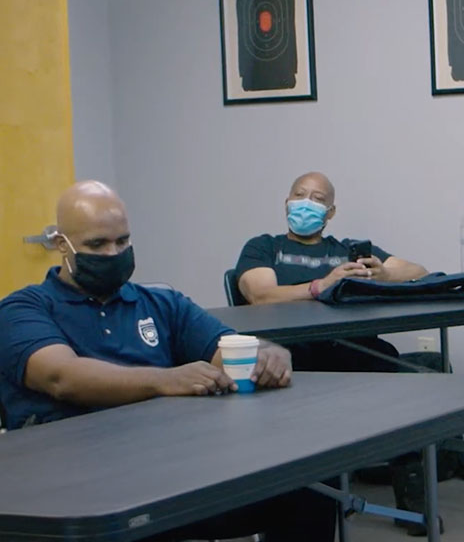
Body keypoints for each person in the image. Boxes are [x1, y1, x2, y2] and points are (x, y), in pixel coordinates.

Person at [0, 181, 335, 542]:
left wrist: (267, 355)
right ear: (62, 246)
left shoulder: (160, 303)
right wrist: (167, 380)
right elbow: (60, 376)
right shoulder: (24, 309)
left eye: (122, 241)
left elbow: (225, 346)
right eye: (97, 245)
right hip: (71, 484)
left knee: (309, 485)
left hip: (163, 469)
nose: (113, 253)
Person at [235, 171, 436, 535]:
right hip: (291, 353)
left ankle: (413, 496)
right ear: (286, 202)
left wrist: (383, 274)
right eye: (300, 195)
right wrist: (323, 285)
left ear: (330, 213)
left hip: (349, 348)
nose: (306, 204)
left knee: (411, 383)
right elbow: (259, 294)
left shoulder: (343, 250)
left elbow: (418, 271)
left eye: (317, 199)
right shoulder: (263, 247)